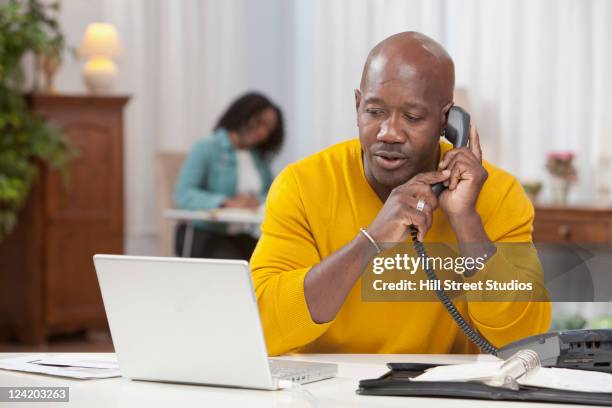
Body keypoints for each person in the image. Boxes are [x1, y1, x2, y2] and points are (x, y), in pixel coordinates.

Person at [250, 32, 551, 356]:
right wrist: (370, 241)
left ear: (446, 121)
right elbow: (259, 328)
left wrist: (466, 222)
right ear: (357, 106)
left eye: (412, 117)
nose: (389, 133)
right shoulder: (301, 185)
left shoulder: (498, 194)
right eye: (374, 111)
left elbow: (526, 340)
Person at [174, 92, 284, 259]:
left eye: (269, 130)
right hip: (204, 233)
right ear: (242, 115)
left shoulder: (258, 159)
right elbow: (183, 194)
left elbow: (272, 195)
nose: (263, 133)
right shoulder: (207, 148)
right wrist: (224, 202)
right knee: (238, 267)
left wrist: (255, 201)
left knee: (274, 262)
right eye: (260, 123)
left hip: (239, 234)